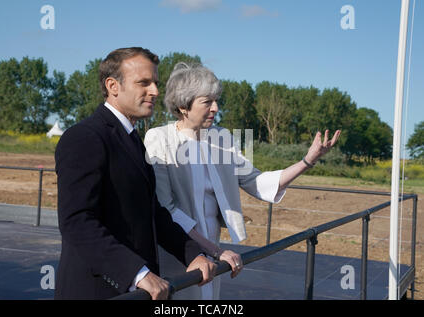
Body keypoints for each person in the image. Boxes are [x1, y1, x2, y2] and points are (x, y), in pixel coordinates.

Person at [144, 62, 341, 300]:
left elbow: (255, 181)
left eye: (216, 100)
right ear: (183, 106)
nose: (215, 108)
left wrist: (307, 161)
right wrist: (214, 251)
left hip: (214, 254)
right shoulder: (159, 138)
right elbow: (167, 209)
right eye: (207, 102)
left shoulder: (221, 138)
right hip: (181, 253)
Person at [54, 48, 216, 300]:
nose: (155, 91)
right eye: (143, 83)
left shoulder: (130, 139)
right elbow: (76, 221)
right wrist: (137, 273)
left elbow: (153, 212)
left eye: (155, 83)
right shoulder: (85, 137)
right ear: (113, 86)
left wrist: (193, 254)